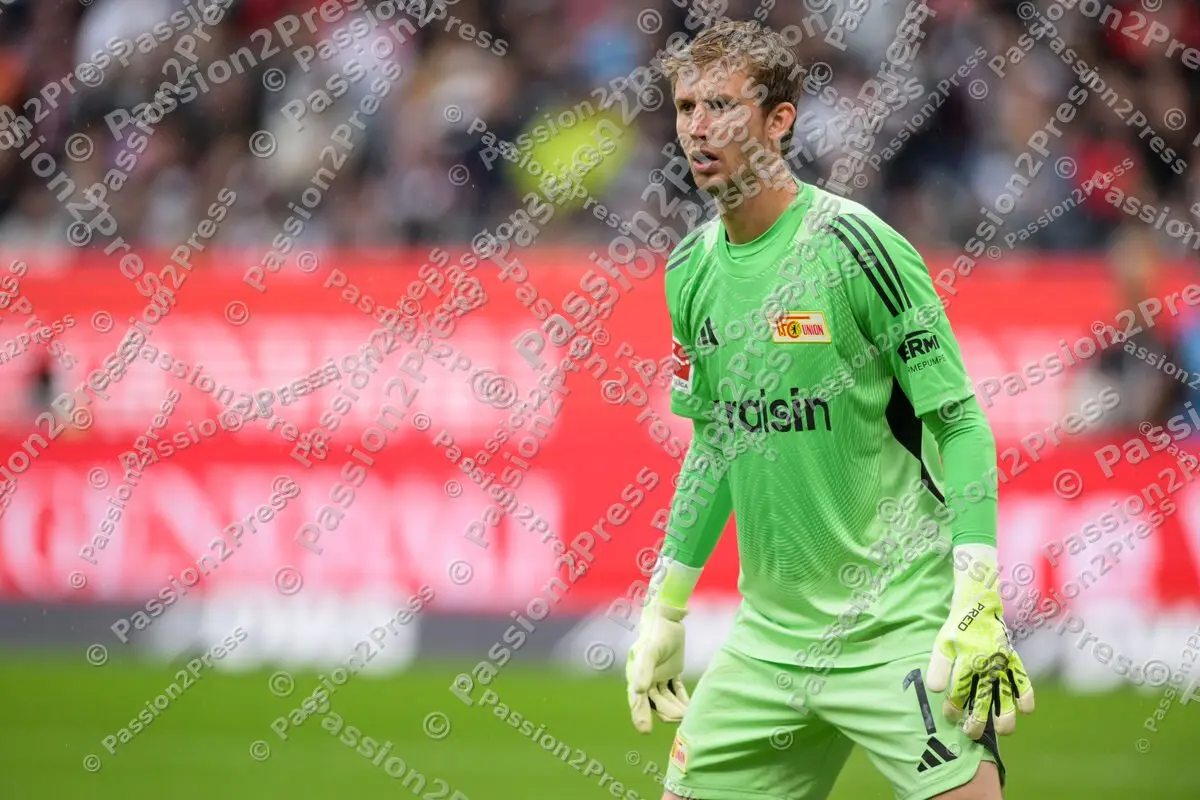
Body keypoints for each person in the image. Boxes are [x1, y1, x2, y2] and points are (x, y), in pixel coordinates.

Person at [625, 20, 1035, 800]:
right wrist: (667, 608)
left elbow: (960, 422)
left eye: (721, 104)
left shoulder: (856, 247)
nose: (698, 127)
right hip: (768, 643)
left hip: (896, 631)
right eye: (685, 107)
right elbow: (716, 442)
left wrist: (977, 596)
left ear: (780, 120)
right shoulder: (689, 272)